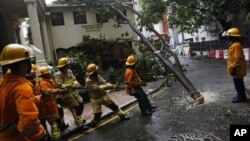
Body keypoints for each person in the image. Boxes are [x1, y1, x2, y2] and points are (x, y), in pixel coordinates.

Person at [0, 44, 46, 141]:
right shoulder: (22, 88)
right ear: (24, 64)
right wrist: (41, 136)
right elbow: (30, 124)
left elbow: (11, 106)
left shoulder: (4, 83)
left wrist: (37, 99)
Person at [55, 57, 85, 127]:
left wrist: (77, 84)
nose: (68, 66)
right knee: (76, 107)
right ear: (64, 66)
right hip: (67, 94)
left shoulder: (69, 71)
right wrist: (70, 85)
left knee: (81, 104)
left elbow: (74, 79)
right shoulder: (58, 74)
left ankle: (78, 119)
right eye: (67, 65)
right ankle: (79, 121)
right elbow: (60, 85)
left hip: (74, 92)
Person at [225, 28, 247, 103]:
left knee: (239, 83)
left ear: (233, 36)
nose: (227, 37)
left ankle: (241, 97)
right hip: (235, 68)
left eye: (228, 36)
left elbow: (237, 58)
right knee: (238, 83)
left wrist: (234, 68)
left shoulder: (236, 45)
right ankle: (240, 95)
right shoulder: (234, 45)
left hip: (237, 68)